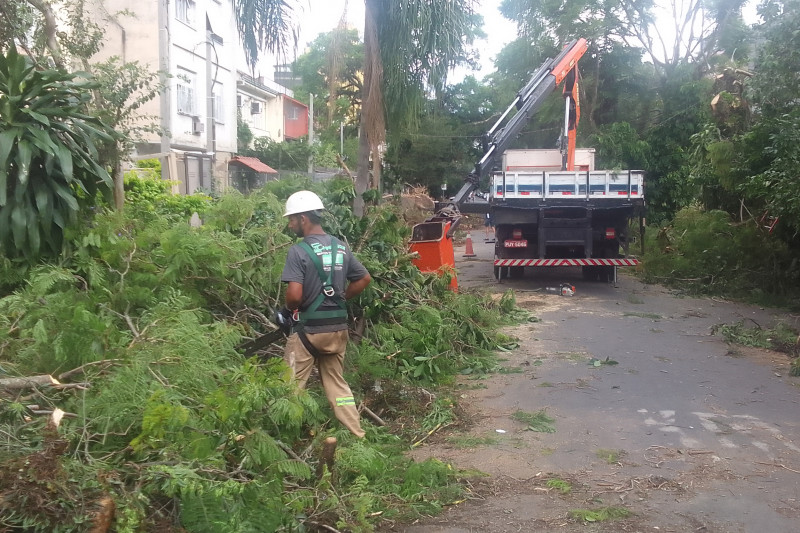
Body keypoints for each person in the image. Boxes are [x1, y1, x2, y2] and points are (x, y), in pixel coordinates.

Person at [280, 191, 372, 438]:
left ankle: (284, 438)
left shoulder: (298, 252)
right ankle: (356, 434)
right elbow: (364, 278)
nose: (289, 224)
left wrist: (287, 311)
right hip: (337, 330)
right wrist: (340, 297)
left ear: (303, 218)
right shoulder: (340, 247)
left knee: (290, 388)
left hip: (308, 332)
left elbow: (295, 295)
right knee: (338, 387)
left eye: (291, 219)